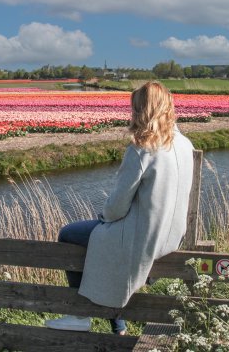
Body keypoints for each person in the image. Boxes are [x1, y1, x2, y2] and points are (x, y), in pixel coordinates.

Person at [45, 81, 194, 335]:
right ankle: (119, 327)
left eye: (134, 109)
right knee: (101, 240)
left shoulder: (142, 149)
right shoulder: (184, 145)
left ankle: (81, 316)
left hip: (144, 238)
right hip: (170, 237)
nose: (132, 114)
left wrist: (103, 218)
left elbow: (116, 207)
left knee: (69, 234)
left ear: (143, 111)